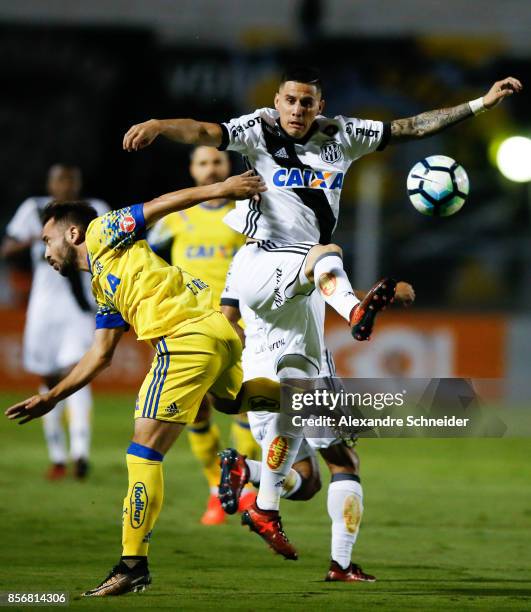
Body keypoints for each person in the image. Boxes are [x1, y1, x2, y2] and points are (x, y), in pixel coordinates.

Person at [122, 67, 521, 557]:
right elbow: (206, 132)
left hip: (303, 292)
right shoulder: (257, 129)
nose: (296, 110)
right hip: (268, 258)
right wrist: (161, 125)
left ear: (319, 105)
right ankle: (355, 311)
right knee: (325, 253)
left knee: (314, 451)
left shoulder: (343, 135)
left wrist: (479, 104)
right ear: (277, 100)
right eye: (289, 100)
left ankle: (264, 494)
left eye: (306, 103)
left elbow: (411, 127)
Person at [5, 170, 268, 597]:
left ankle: (131, 565)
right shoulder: (103, 283)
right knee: (233, 403)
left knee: (142, 451)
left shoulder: (103, 230)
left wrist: (223, 189)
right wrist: (52, 397)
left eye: (47, 239)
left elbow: (165, 201)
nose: (45, 251)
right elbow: (101, 354)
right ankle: (316, 403)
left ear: (72, 232)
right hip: (213, 330)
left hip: (183, 339)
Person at [219, 266, 414, 580]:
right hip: (308, 373)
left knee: (306, 481)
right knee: (344, 463)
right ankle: (342, 565)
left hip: (259, 373)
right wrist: (389, 293)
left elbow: (226, 319)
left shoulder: (242, 264)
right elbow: (339, 297)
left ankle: (248, 469)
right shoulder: (307, 251)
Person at [148, 146, 259, 525]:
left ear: (228, 166)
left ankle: (241, 488)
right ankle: (216, 488)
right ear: (192, 171)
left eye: (217, 162)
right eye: (203, 163)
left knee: (245, 405)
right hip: (188, 328)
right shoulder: (175, 218)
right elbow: (146, 262)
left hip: (240, 326)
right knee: (196, 411)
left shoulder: (246, 214)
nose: (211, 169)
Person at [1, 164, 109, 480]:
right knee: (49, 378)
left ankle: (80, 453)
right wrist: (39, 236)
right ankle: (58, 456)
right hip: (43, 310)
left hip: (79, 306)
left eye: (71, 180)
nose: (65, 185)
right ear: (50, 183)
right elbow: (7, 248)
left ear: (79, 183)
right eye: (60, 179)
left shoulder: (94, 210)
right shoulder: (34, 210)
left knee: (78, 370)